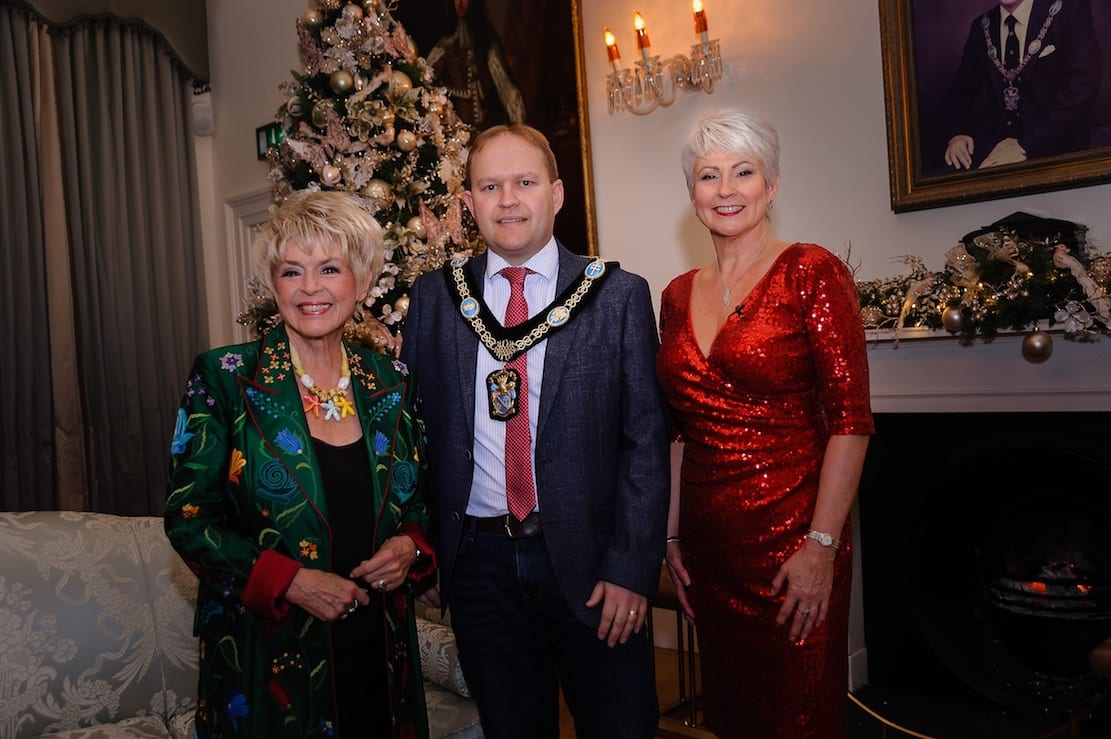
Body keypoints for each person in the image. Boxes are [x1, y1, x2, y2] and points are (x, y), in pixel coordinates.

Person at [401, 123, 669, 739]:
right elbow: (413, 432)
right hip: (480, 568)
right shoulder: (438, 299)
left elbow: (645, 445)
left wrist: (632, 569)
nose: (508, 200)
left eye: (524, 182)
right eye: (489, 186)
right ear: (467, 204)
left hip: (594, 566)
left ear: (556, 194)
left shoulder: (617, 297)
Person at [165, 190, 435, 738]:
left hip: (382, 654)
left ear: (360, 282)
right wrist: (290, 581)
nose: (310, 288)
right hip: (268, 655)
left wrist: (411, 546)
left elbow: (423, 497)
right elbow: (189, 518)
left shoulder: (392, 380)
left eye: (329, 268)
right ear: (273, 284)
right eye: (292, 271)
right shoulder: (226, 378)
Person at [656, 110, 875, 739]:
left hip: (794, 546)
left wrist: (820, 549)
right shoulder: (675, 294)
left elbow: (851, 424)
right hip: (708, 551)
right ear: (692, 193)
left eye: (743, 172)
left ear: (771, 184)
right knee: (734, 717)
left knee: (797, 717)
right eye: (708, 175)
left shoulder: (813, 271)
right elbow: (680, 430)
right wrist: (672, 543)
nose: (725, 189)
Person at [943, 0, 1101, 170]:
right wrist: (956, 134)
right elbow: (960, 90)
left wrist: (1025, 145)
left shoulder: (1069, 10)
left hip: (1056, 146)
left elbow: (1083, 87)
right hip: (999, 146)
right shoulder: (982, 26)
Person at [426, 0, 526, 128]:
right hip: (454, 122)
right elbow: (429, 75)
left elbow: (503, 83)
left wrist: (517, 122)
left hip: (486, 121)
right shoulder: (443, 43)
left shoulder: (484, 38)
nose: (461, 3)